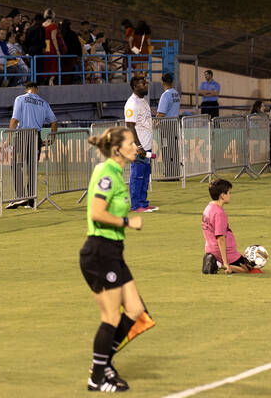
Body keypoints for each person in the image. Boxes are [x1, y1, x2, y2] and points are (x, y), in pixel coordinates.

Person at [79, 126, 153, 393]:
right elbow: (97, 213)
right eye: (132, 144)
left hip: (113, 251)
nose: (136, 147)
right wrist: (128, 222)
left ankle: (104, 364)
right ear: (117, 149)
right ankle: (97, 377)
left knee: (136, 312)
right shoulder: (106, 173)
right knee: (111, 317)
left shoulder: (118, 174)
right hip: (99, 252)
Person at [8, 82, 57, 209]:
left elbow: (14, 120)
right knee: (32, 168)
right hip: (36, 136)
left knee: (17, 166)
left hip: (22, 136)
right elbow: (54, 121)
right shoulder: (44, 103)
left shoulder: (20, 99)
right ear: (36, 89)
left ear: (27, 89)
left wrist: (8, 137)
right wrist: (52, 137)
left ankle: (20, 197)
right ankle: (31, 201)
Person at [201, 178, 261, 275]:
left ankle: (213, 261)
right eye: (229, 192)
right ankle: (218, 265)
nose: (230, 195)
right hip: (226, 253)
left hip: (210, 249)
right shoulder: (219, 213)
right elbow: (220, 238)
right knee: (251, 269)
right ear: (222, 195)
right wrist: (226, 263)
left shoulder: (208, 208)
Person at [123, 75, 157, 213]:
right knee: (137, 175)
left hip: (146, 145)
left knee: (145, 174)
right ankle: (135, 205)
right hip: (138, 147)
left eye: (146, 83)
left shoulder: (143, 101)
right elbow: (130, 127)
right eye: (143, 84)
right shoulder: (132, 104)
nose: (146, 85)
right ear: (135, 87)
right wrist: (139, 146)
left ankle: (143, 203)